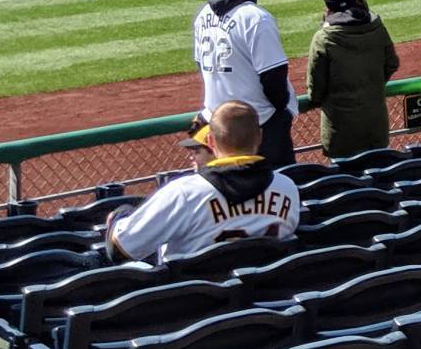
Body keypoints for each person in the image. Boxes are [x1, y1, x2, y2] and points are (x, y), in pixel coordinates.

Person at [105, 99, 299, 264]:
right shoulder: (288, 188)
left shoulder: (184, 193)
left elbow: (120, 249)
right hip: (270, 300)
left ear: (211, 142)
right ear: (260, 137)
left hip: (198, 304)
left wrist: (120, 215)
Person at [193, 0, 295, 168]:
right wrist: (281, 112)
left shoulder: (203, 16)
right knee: (275, 191)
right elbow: (273, 76)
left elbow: (200, 65)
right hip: (259, 125)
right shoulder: (256, 18)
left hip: (218, 125)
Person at [304, 0, 400, 161]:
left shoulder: (323, 38)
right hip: (375, 125)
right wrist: (372, 85)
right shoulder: (377, 27)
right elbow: (392, 63)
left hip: (340, 130)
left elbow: (315, 89)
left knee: (346, 182)